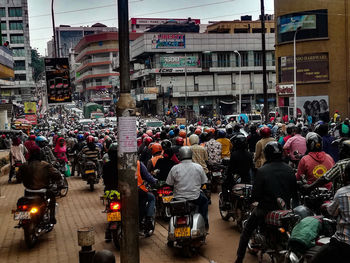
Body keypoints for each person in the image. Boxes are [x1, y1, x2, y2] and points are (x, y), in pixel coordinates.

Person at [235, 141, 298, 263]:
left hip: (266, 209)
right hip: (286, 210)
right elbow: (294, 192)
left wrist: (252, 200)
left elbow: (256, 195)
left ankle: (239, 259)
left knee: (247, 231)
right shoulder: (289, 169)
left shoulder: (262, 171)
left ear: (267, 155)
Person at [310, 162, 350, 263]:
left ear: (345, 175)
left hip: (343, 243)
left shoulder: (342, 193)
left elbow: (331, 212)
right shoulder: (328, 159)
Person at [17, 145, 62, 224]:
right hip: (42, 191)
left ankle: (21, 219)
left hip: (28, 191)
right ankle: (52, 218)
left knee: (20, 202)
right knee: (52, 198)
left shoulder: (24, 165)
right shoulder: (45, 165)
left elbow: (18, 177)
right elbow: (57, 174)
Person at [166, 146, 209, 228]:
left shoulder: (175, 168)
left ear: (180, 156)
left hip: (178, 198)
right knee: (205, 202)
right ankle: (205, 222)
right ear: (191, 155)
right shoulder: (198, 167)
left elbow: (169, 184)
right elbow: (204, 182)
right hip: (195, 197)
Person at [222, 134, 254, 207]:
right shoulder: (249, 154)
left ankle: (226, 202)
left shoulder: (234, 154)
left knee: (224, 185)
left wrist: (228, 174)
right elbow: (252, 167)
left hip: (235, 178)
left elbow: (230, 168)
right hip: (246, 178)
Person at [136, 159, 157, 237]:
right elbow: (147, 176)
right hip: (138, 190)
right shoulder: (138, 163)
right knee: (151, 198)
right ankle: (148, 220)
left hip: (121, 191)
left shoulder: (117, 162)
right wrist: (154, 181)